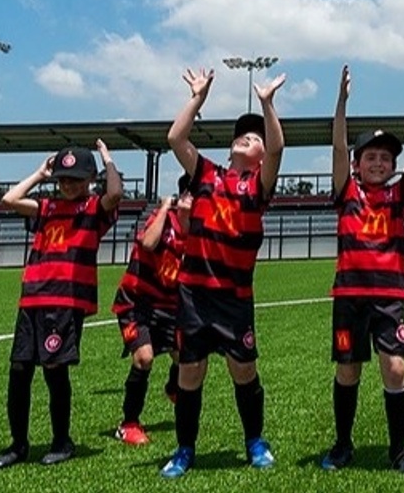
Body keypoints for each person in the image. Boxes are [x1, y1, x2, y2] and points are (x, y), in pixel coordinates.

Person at [160, 67, 287, 478]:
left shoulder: (257, 189)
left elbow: (279, 148)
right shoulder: (206, 175)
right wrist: (198, 98)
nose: (245, 139)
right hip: (194, 295)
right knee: (190, 372)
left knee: (243, 370)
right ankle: (184, 450)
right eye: (242, 135)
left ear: (261, 157)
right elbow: (175, 139)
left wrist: (267, 105)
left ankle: (255, 441)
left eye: (254, 139)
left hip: (233, 298)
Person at [322, 65, 404, 474]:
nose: (378, 162)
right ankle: (342, 445)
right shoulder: (347, 190)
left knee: (395, 367)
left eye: (385, 157)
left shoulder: (398, 194)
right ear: (357, 165)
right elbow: (338, 147)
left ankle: (398, 449)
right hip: (350, 297)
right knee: (348, 368)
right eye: (370, 157)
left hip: (391, 298)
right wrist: (341, 102)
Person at [0, 141, 124, 468]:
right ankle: (18, 444)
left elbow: (116, 194)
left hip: (65, 301)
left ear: (89, 179)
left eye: (76, 179)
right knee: (19, 370)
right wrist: (39, 173)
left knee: (54, 369)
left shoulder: (93, 209)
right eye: (64, 179)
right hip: (33, 297)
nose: (69, 185)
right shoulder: (46, 207)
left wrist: (107, 161)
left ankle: (62, 440)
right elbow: (9, 200)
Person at [111, 175, 190, 447]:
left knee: (185, 358)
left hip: (169, 304)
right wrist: (166, 208)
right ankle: (128, 423)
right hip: (137, 301)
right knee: (144, 359)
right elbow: (147, 243)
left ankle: (172, 388)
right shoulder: (162, 218)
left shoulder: (199, 232)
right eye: (192, 195)